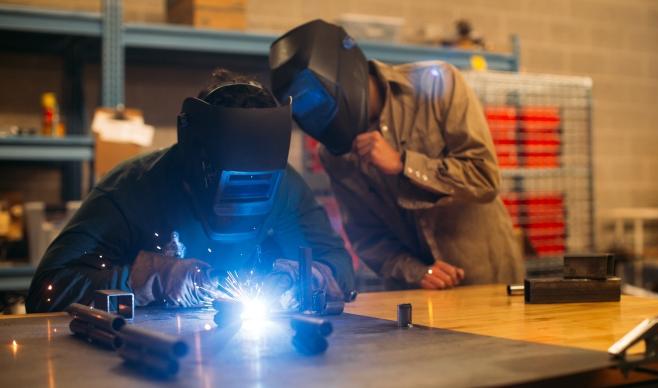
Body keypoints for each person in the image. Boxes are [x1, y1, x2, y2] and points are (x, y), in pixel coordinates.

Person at [26, 69, 355, 313]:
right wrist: (145, 277)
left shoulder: (285, 186)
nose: (244, 196)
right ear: (195, 157)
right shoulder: (131, 190)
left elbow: (341, 267)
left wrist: (316, 277)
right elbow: (46, 291)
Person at [269, 20, 523, 290]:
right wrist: (417, 272)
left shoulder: (437, 86)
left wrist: (403, 164)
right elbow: (367, 237)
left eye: (318, 102)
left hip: (489, 282)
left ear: (342, 72)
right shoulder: (335, 156)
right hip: (418, 296)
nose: (317, 116)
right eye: (305, 110)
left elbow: (485, 179)